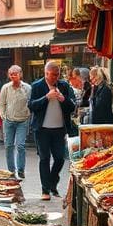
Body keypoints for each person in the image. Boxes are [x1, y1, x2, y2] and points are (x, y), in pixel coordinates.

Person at [28, 60, 76, 201]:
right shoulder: (37, 86)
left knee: (60, 158)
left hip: (59, 129)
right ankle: (45, 190)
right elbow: (31, 106)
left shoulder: (64, 85)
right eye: (53, 74)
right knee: (44, 158)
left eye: (57, 74)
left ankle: (52, 183)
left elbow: (72, 106)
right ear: (46, 73)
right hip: (42, 129)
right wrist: (46, 97)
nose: (55, 77)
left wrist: (63, 99)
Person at [0, 65, 30, 179]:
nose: (13, 76)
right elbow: (1, 104)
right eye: (11, 73)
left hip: (22, 121)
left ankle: (21, 170)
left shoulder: (27, 88)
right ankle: (11, 170)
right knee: (8, 146)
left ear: (20, 74)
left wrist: (28, 115)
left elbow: (31, 103)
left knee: (21, 146)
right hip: (9, 121)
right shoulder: (5, 88)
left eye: (15, 73)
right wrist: (4, 116)